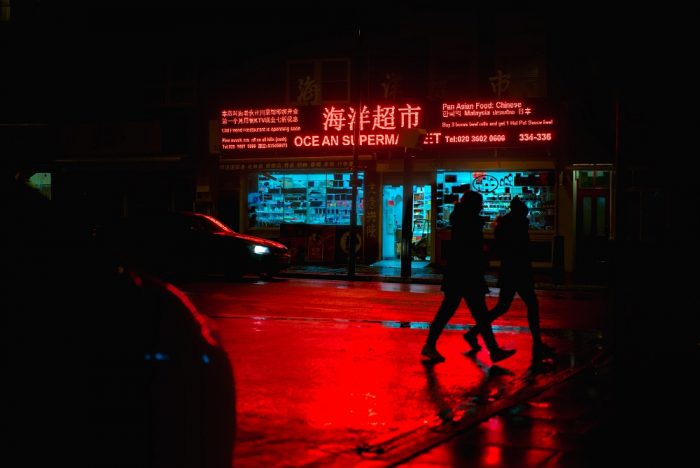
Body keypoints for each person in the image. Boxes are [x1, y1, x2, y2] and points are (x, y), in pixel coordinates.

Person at [421, 191, 516, 363]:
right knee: (472, 312)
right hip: (467, 272)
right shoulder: (469, 221)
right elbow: (471, 247)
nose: (481, 206)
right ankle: (491, 349)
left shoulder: (461, 218)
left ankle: (431, 344)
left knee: (455, 310)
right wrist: (484, 250)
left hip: (459, 272)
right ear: (473, 204)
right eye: (479, 203)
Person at [462, 196, 555, 362]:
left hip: (509, 271)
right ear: (521, 211)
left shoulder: (505, 224)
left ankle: (473, 333)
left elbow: (501, 247)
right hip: (520, 271)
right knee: (529, 305)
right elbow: (522, 248)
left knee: (503, 307)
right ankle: (537, 345)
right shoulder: (518, 225)